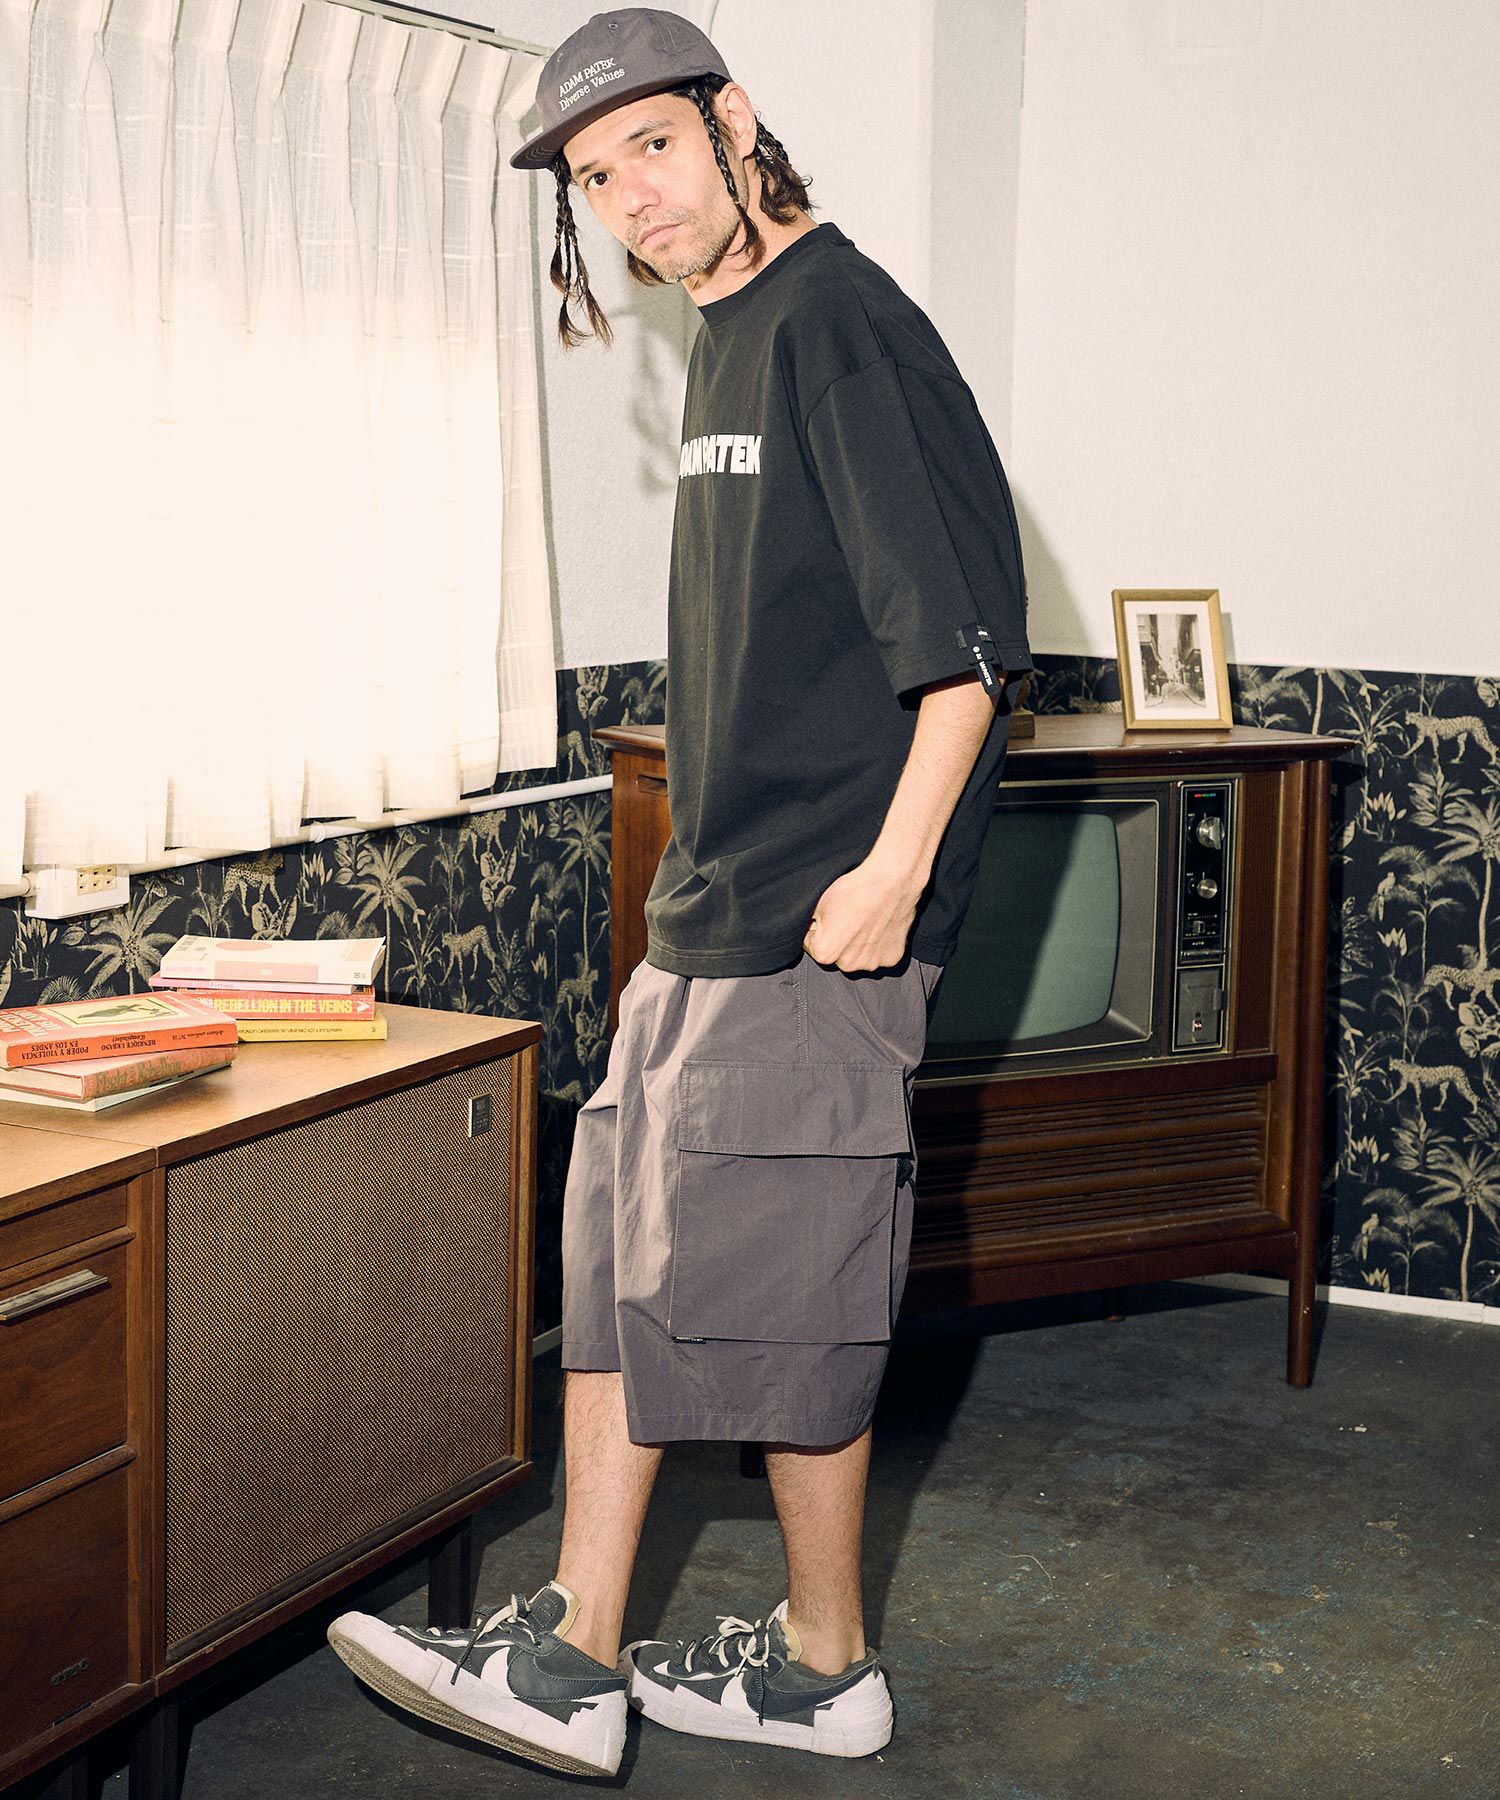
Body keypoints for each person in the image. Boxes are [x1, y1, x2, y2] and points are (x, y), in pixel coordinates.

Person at [326, 6, 1033, 1780]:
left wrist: (890, 882)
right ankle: (654, 1651)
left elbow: (967, 660)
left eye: (650, 144)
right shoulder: (729, 331)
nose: (628, 194)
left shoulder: (841, 326)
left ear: (734, 120)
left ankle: (752, 1664)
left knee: (777, 1298)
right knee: (623, 1271)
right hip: (712, 912)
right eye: (592, 174)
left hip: (813, 925)